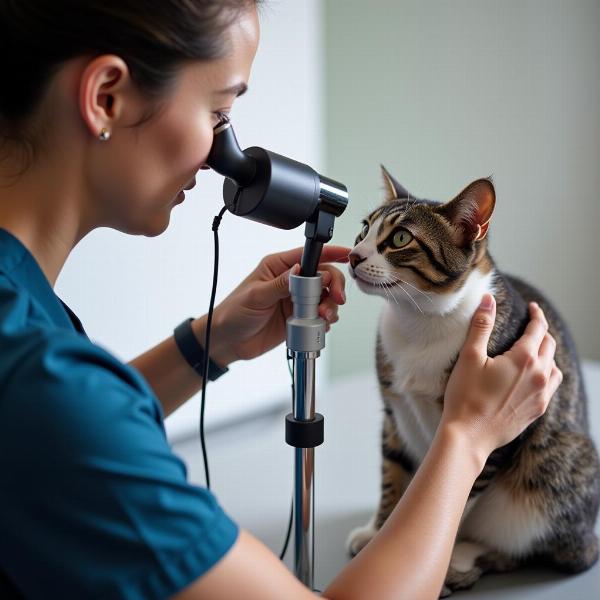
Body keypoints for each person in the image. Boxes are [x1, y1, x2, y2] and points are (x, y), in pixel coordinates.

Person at [0, 1, 562, 598]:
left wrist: (210, 343)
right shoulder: (39, 384)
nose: (225, 152)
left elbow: (63, 435)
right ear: (107, 97)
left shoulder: (26, 320)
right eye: (219, 110)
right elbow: (65, 420)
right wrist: (468, 437)